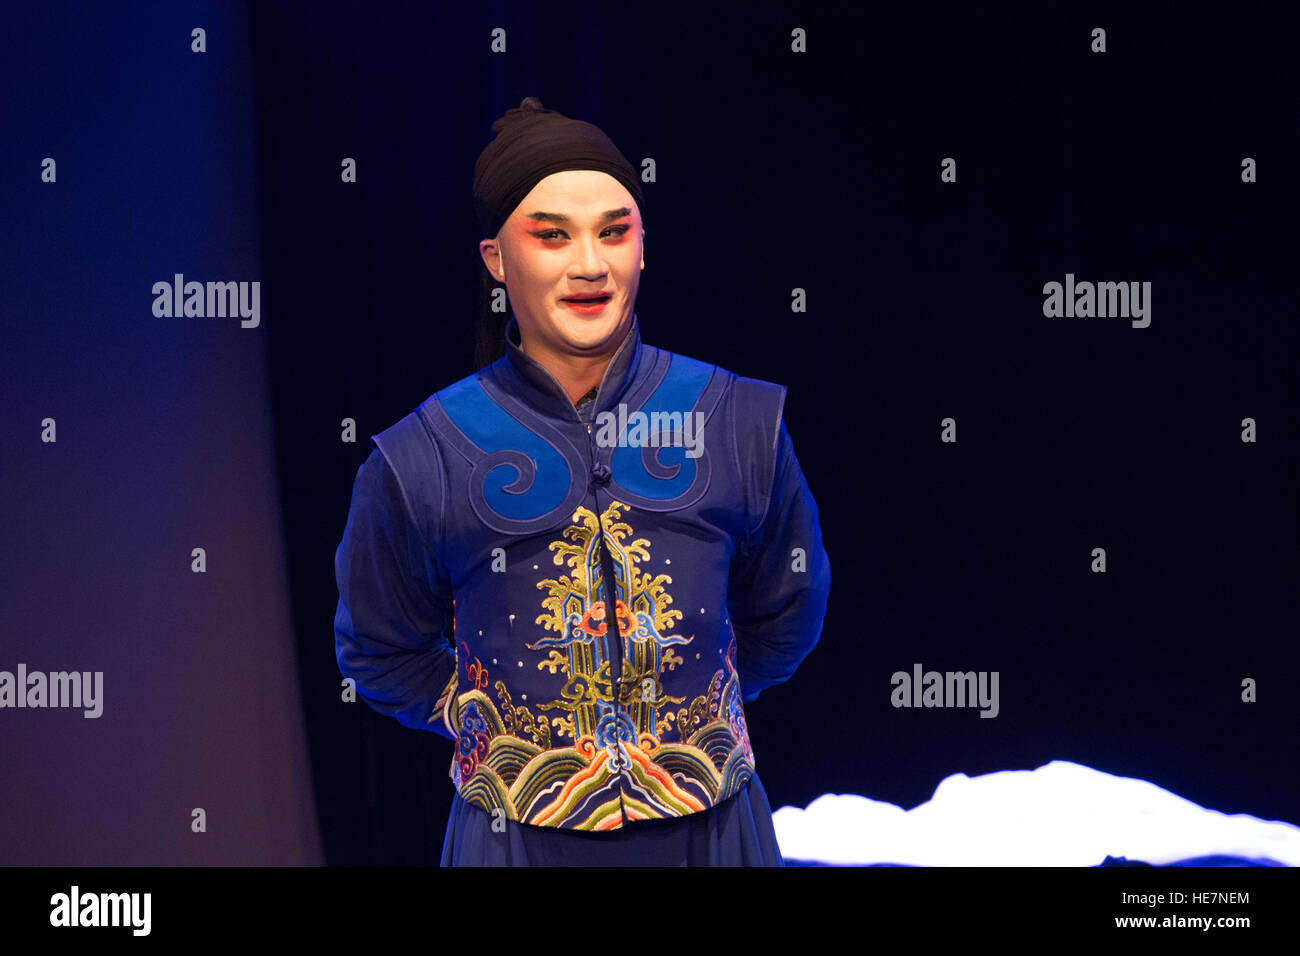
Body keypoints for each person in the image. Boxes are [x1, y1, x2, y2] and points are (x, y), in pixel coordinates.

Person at [333, 96, 831, 866]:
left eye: (613, 230)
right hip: (515, 844)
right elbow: (378, 648)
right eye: (553, 236)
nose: (590, 264)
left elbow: (788, 611)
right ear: (498, 259)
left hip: (712, 831)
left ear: (642, 245)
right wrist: (496, 731)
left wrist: (692, 710)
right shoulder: (422, 453)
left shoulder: (737, 417)